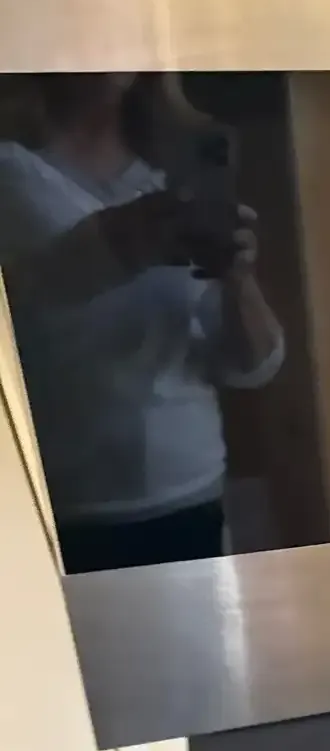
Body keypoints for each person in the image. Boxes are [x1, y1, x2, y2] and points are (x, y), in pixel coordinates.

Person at [0, 73, 285, 572]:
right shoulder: (13, 170)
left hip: (192, 487)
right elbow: (39, 288)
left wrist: (238, 280)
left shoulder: (170, 169)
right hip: (67, 503)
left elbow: (253, 366)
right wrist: (126, 239)